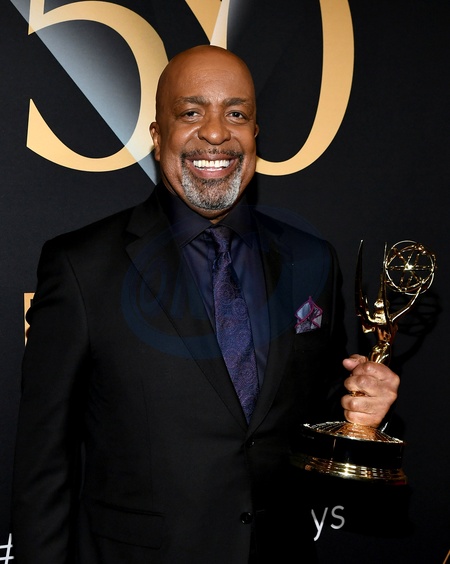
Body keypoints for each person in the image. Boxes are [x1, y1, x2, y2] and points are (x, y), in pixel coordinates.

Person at [11, 45, 399, 563]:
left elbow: (316, 414)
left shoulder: (312, 259)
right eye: (191, 113)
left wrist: (362, 413)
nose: (216, 134)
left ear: (255, 134)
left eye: (236, 114)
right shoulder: (82, 267)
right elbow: (44, 462)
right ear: (157, 136)